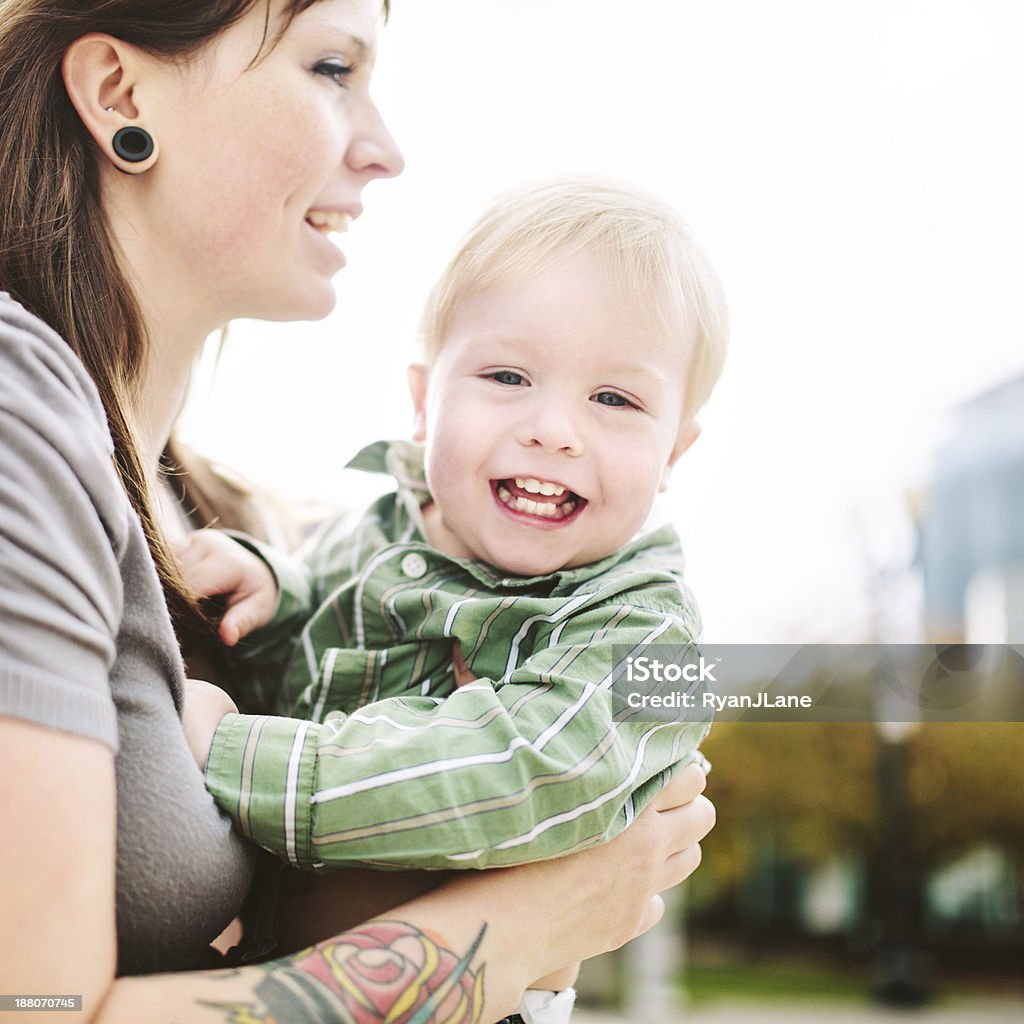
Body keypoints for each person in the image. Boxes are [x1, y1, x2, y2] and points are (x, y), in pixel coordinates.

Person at [0, 2, 716, 1023]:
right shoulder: (19, 414)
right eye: (330, 66)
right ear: (120, 91)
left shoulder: (222, 509)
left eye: (614, 398)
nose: (385, 151)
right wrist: (526, 926)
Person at [177, 177, 727, 1023]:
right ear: (426, 401)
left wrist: (237, 758)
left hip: (475, 1002)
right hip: (286, 981)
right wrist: (276, 591)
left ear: (673, 454)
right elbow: (316, 636)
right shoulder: (381, 532)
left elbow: (524, 770)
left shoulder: (645, 626)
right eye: (508, 375)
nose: (555, 428)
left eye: (614, 399)